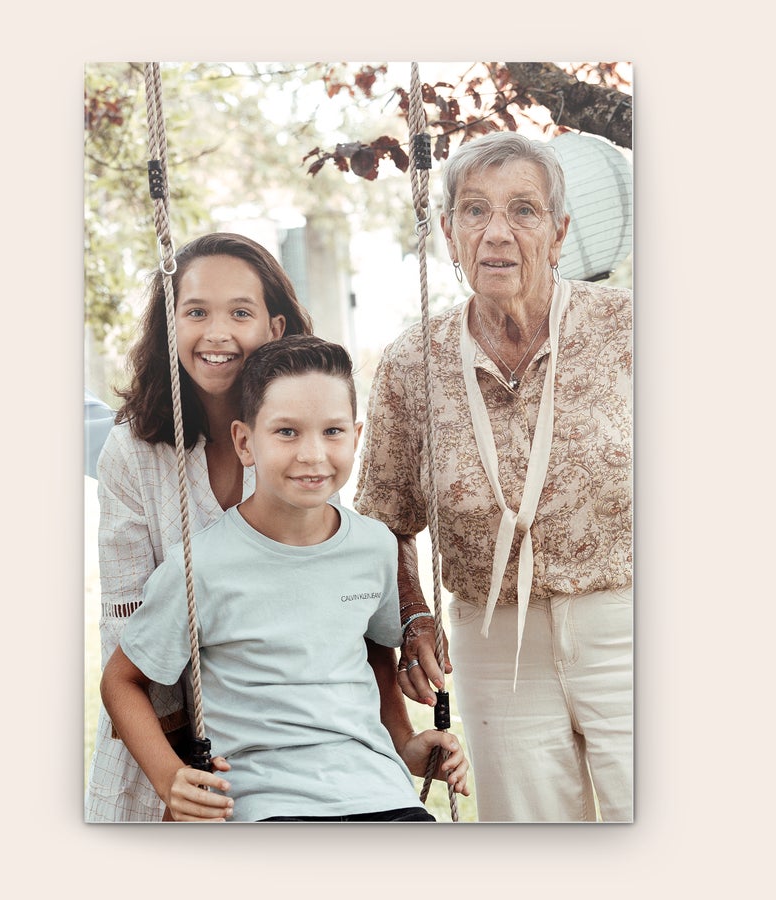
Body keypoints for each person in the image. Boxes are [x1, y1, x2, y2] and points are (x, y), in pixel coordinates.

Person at [354, 131, 632, 823]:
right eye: (475, 210)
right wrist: (413, 611)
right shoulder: (412, 362)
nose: (497, 233)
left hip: (628, 624)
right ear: (448, 232)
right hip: (492, 641)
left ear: (560, 231)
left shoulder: (628, 329)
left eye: (523, 210)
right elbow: (384, 521)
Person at [100, 335, 469, 822]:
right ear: (245, 442)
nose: (313, 454)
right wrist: (170, 779)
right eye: (287, 432)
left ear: (356, 437)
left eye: (332, 431)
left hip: (380, 794)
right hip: (265, 801)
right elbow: (121, 681)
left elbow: (373, 653)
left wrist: (405, 742)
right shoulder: (200, 565)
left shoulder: (374, 545)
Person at [85, 232, 314, 822]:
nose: (217, 333)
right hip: (159, 740)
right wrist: (174, 778)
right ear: (170, 325)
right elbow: (125, 631)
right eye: (195, 312)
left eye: (240, 313)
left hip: (278, 729)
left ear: (276, 328)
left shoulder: (301, 440)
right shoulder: (133, 453)